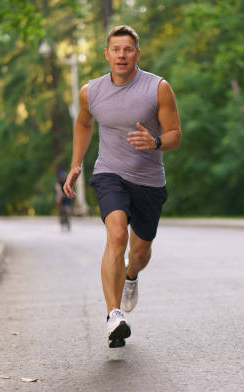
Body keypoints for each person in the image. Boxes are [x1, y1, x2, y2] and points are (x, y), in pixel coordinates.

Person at [63, 25, 181, 348]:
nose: (121, 55)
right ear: (106, 54)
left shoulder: (158, 88)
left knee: (139, 252)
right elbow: (83, 123)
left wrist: (155, 141)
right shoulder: (91, 92)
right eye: (115, 49)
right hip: (109, 173)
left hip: (148, 181)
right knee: (116, 234)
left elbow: (175, 135)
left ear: (137, 54)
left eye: (128, 49)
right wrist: (76, 164)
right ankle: (114, 315)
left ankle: (131, 276)